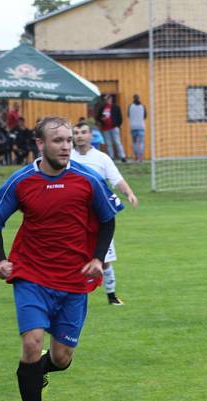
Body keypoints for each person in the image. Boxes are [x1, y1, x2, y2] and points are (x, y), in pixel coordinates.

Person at [0, 116, 124, 401]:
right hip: (31, 275)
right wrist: (1, 260)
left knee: (61, 359)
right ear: (40, 144)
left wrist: (97, 258)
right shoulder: (21, 181)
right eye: (58, 140)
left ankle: (35, 374)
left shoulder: (87, 179)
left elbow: (107, 220)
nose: (65, 146)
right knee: (32, 343)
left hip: (73, 280)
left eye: (68, 141)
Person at [70, 119, 139, 305]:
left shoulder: (101, 158)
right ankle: (72, 294)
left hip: (99, 215)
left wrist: (129, 193)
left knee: (104, 259)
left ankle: (111, 296)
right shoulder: (67, 158)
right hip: (74, 216)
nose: (79, 136)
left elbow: (116, 179)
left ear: (91, 136)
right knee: (71, 257)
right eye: (76, 133)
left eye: (83, 132)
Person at [96, 94, 127, 162]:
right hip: (105, 128)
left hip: (114, 127)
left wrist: (117, 125)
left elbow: (120, 117)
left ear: (111, 99)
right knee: (108, 143)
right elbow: (98, 117)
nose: (107, 100)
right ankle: (111, 157)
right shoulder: (102, 108)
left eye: (108, 98)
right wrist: (102, 120)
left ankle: (123, 156)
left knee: (117, 142)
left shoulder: (115, 107)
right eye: (106, 99)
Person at [128, 94, 147, 162]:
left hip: (133, 127)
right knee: (141, 142)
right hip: (141, 126)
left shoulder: (130, 106)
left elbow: (128, 115)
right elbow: (145, 116)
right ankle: (141, 156)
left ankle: (136, 156)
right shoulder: (143, 106)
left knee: (135, 142)